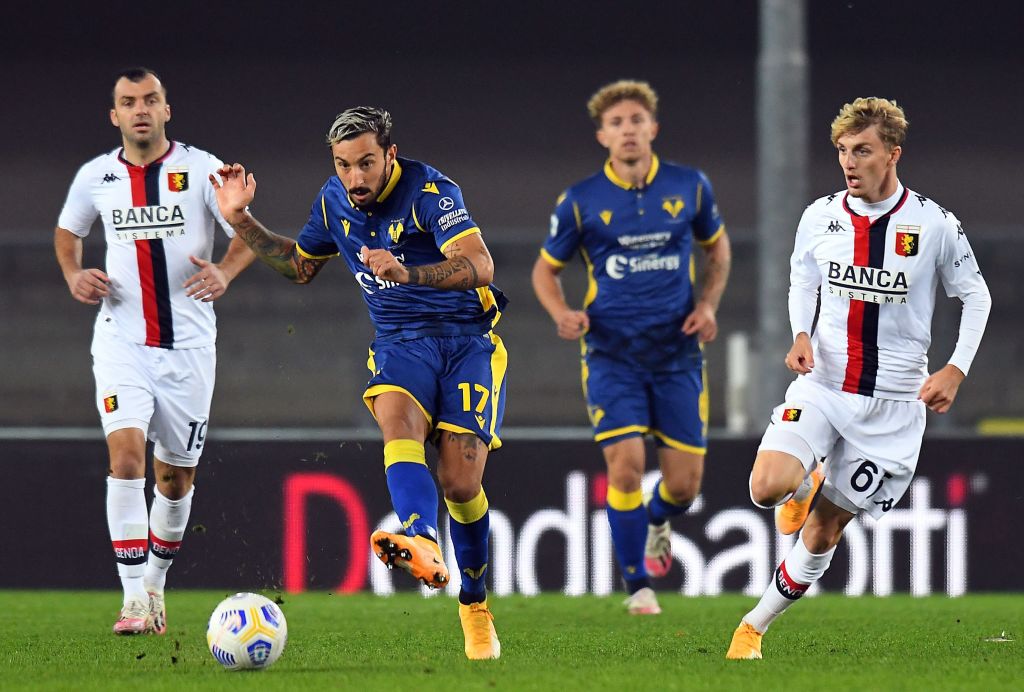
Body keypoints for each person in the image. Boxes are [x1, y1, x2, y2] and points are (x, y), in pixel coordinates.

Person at [210, 106, 507, 660]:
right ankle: (419, 535)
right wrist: (240, 219)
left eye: (366, 163)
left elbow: (481, 266)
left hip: (467, 340)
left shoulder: (430, 192)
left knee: (462, 485)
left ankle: (474, 604)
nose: (356, 178)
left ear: (390, 155)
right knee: (398, 416)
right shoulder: (333, 200)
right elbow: (300, 265)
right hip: (399, 341)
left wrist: (407, 271)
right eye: (344, 165)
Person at [726, 97, 991, 659]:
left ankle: (753, 626)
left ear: (893, 154)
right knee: (765, 488)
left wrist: (955, 368)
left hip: (893, 406)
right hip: (823, 384)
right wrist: (801, 333)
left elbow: (977, 296)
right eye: (844, 151)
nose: (850, 161)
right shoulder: (818, 216)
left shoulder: (934, 223)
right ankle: (804, 479)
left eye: (863, 150)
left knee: (822, 533)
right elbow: (802, 279)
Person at [54, 67, 255, 635]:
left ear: (167, 110)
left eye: (150, 100)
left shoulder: (202, 169)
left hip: (188, 347)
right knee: (125, 458)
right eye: (127, 102)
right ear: (114, 115)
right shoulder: (96, 177)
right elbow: (68, 233)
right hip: (122, 340)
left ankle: (157, 586)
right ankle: (133, 599)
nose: (140, 109)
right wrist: (72, 273)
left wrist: (225, 270)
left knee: (174, 481)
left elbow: (246, 231)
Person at [531, 80, 732, 614]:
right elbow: (544, 272)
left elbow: (719, 251)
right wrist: (562, 314)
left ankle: (660, 518)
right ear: (603, 136)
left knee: (684, 487)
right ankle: (637, 585)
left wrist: (708, 305)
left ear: (653, 129)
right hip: (611, 355)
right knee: (625, 466)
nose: (627, 130)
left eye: (636, 121)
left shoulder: (690, 186)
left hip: (678, 354)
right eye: (616, 123)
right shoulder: (579, 201)